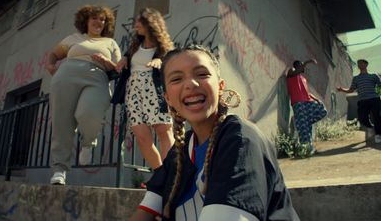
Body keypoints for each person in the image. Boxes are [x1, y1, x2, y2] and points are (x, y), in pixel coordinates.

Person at [128, 45, 300, 221]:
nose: (191, 84)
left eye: (202, 74)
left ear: (220, 86)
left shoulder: (241, 139)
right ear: (168, 99)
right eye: (177, 79)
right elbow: (145, 214)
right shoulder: (179, 151)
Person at [46, 5, 121, 185]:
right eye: (94, 18)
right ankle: (60, 169)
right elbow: (54, 55)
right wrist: (50, 66)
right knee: (61, 123)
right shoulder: (73, 38)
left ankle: (88, 143)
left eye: (102, 19)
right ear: (86, 21)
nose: (98, 22)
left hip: (97, 77)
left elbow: (119, 68)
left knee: (90, 114)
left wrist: (107, 61)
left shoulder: (110, 43)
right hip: (65, 77)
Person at [112, 8, 174, 169]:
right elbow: (127, 58)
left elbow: (172, 66)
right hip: (133, 92)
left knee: (163, 132)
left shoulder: (164, 49)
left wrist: (161, 62)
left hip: (155, 89)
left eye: (139, 22)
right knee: (142, 137)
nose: (135, 26)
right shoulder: (134, 47)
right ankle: (160, 174)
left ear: (150, 23)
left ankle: (172, 175)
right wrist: (124, 58)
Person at [286, 59, 327, 157]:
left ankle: (305, 122)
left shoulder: (303, 78)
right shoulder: (291, 71)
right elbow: (295, 71)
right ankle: (306, 150)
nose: (303, 68)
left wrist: (317, 99)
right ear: (297, 66)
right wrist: (308, 61)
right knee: (304, 130)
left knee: (323, 111)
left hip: (307, 102)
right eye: (301, 66)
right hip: (298, 104)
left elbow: (307, 92)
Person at [337, 59, 381, 143]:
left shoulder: (373, 76)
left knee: (377, 117)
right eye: (358, 64)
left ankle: (378, 135)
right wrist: (342, 89)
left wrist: (378, 93)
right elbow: (351, 90)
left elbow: (380, 85)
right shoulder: (356, 78)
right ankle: (371, 127)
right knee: (362, 118)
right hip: (363, 100)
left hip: (374, 99)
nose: (359, 65)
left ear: (366, 65)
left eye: (361, 63)